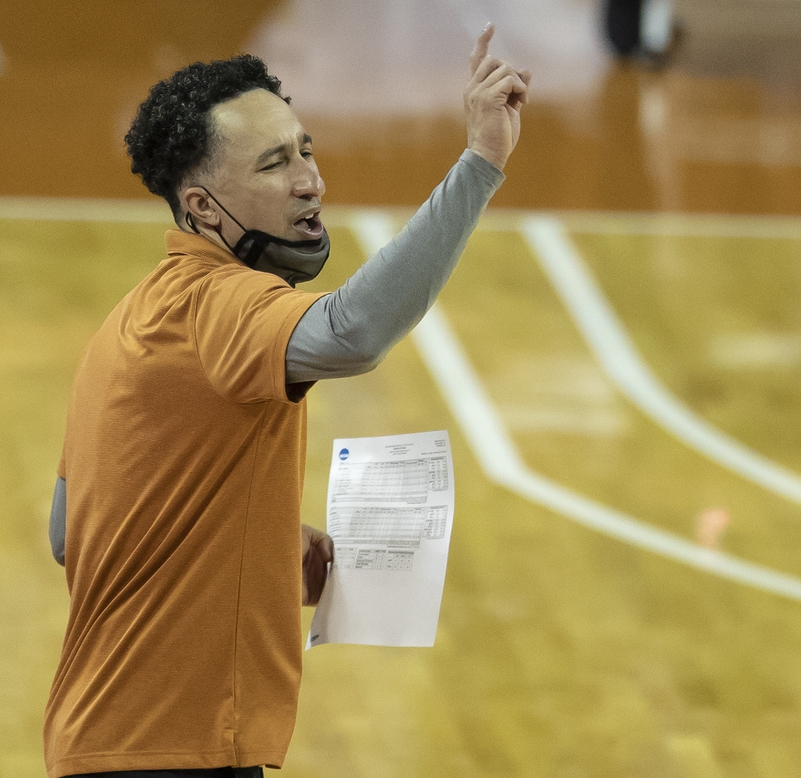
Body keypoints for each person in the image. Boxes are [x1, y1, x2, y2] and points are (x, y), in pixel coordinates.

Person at [44, 24, 530, 778]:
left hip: (111, 742)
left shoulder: (132, 318)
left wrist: (253, 538)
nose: (311, 181)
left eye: (304, 149)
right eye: (275, 164)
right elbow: (354, 331)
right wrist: (481, 163)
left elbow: (69, 531)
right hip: (175, 749)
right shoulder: (219, 304)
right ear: (203, 208)